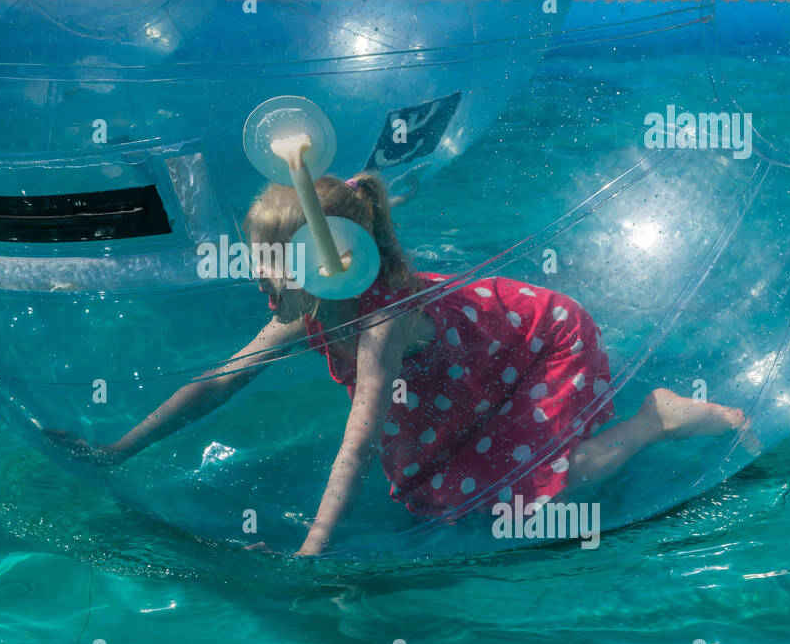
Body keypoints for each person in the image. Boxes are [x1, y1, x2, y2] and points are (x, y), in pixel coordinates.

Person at [52, 173, 745, 556]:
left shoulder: (379, 323)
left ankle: (657, 417)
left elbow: (359, 442)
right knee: (440, 500)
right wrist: (117, 450)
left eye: (272, 269)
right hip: (480, 374)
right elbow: (214, 387)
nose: (260, 284)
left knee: (529, 501)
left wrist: (313, 548)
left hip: (541, 345)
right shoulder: (308, 306)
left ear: (327, 264)